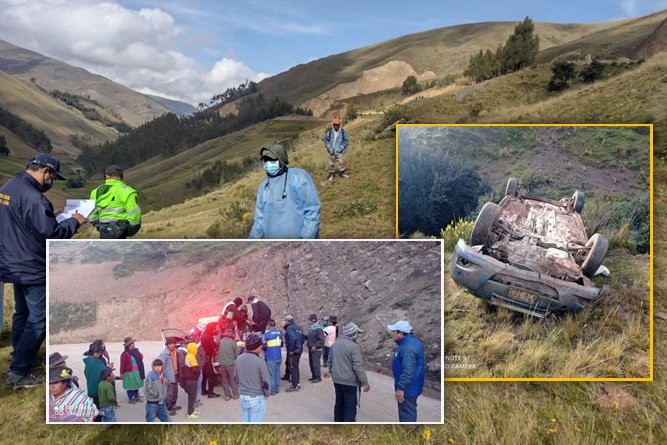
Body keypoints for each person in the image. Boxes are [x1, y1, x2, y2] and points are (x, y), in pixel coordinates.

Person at [0, 153, 85, 387]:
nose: (52, 182)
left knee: (22, 313)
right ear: (45, 172)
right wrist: (74, 221)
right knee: (39, 319)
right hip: (32, 265)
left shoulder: (9, 187)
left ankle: (20, 355)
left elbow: (22, 222)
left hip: (12, 261)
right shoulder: (35, 199)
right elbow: (53, 233)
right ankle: (19, 373)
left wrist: (50, 218)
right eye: (53, 177)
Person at [248, 143, 320, 239]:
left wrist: (306, 240)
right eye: (265, 160)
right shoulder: (264, 186)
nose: (268, 163)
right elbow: (259, 221)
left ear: (281, 160)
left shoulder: (298, 177)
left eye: (272, 160)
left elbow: (312, 211)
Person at [327, 322, 370, 422]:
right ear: (354, 334)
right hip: (351, 382)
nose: (358, 336)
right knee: (351, 406)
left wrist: (331, 372)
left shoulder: (335, 345)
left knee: (339, 403)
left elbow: (329, 362)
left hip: (337, 381)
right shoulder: (354, 347)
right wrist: (364, 382)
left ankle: (338, 422)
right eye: (357, 333)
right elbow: (358, 366)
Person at [88, 164, 141, 239]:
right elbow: (134, 213)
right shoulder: (128, 191)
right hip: (122, 231)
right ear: (121, 176)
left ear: (107, 176)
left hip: (104, 232)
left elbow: (91, 214)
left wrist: (100, 227)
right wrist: (130, 230)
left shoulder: (95, 192)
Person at [387, 320, 425, 422]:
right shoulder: (412, 342)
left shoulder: (407, 348)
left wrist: (401, 388)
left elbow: (408, 370)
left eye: (394, 332)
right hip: (413, 386)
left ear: (400, 333)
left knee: (407, 417)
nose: (392, 334)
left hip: (408, 389)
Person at [234, 333, 270, 422]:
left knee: (245, 419)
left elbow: (235, 378)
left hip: (243, 396)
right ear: (257, 347)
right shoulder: (260, 362)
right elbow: (266, 382)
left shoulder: (238, 359)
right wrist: (267, 394)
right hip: (256, 397)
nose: (261, 347)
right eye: (260, 346)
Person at [158, 337, 184, 416]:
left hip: (175, 374)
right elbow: (160, 368)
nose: (172, 345)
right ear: (167, 345)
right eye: (170, 344)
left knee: (175, 392)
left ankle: (172, 405)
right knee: (169, 394)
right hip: (169, 377)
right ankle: (166, 410)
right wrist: (165, 378)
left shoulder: (176, 351)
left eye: (173, 343)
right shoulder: (164, 354)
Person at [144, 358, 172, 422]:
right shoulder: (150, 376)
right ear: (153, 367)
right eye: (155, 366)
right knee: (150, 420)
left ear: (162, 366)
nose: (157, 368)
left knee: (168, 420)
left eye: (159, 366)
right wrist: (157, 395)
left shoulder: (164, 375)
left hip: (162, 403)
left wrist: (167, 384)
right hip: (152, 404)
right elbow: (147, 389)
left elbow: (164, 386)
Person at [119, 337, 145, 404]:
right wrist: (121, 373)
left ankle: (136, 396)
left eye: (133, 343)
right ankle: (131, 398)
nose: (133, 345)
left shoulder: (136, 351)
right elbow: (122, 364)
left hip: (137, 372)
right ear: (128, 346)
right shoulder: (125, 354)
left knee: (137, 384)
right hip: (129, 372)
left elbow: (141, 357)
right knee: (130, 386)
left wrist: (138, 354)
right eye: (131, 344)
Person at [200, 322, 221, 398]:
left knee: (205, 376)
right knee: (211, 376)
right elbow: (215, 345)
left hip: (203, 358)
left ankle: (203, 390)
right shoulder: (208, 337)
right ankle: (210, 392)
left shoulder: (204, 335)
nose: (216, 329)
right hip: (207, 358)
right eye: (215, 327)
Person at [283, 315, 304, 392]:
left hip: (293, 351)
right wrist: (299, 347)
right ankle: (297, 383)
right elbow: (302, 339)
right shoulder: (298, 328)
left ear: (287, 321)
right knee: (296, 366)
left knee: (293, 367)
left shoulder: (289, 328)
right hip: (298, 350)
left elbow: (292, 339)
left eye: (285, 321)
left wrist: (291, 350)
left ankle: (295, 385)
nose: (284, 322)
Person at [262, 319, 283, 395]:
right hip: (278, 356)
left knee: (272, 374)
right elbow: (281, 344)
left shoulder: (267, 335)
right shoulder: (279, 333)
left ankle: (273, 390)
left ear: (268, 325)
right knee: (277, 373)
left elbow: (263, 346)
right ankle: (277, 389)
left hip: (271, 357)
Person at [83, 342, 107, 407]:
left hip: (91, 389)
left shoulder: (88, 362)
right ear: (96, 353)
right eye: (100, 353)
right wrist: (109, 368)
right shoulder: (95, 363)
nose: (100, 355)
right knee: (100, 410)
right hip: (98, 391)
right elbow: (105, 373)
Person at [218, 328, 240, 401]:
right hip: (231, 364)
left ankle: (227, 396)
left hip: (222, 364)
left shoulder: (220, 342)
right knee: (232, 380)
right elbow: (236, 354)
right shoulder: (233, 342)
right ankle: (235, 394)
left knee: (224, 381)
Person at [182, 342, 201, 419]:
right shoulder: (191, 357)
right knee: (192, 397)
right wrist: (199, 370)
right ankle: (190, 413)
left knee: (192, 396)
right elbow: (195, 370)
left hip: (189, 380)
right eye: (196, 348)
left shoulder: (189, 355)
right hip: (192, 380)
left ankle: (192, 410)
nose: (196, 349)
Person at [306, 313, 325, 383]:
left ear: (313, 320)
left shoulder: (318, 329)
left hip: (316, 349)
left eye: (309, 320)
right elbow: (309, 338)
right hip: (311, 349)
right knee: (311, 363)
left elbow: (321, 340)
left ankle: (318, 377)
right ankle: (313, 376)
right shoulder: (311, 329)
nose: (308, 322)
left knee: (316, 364)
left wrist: (315, 346)